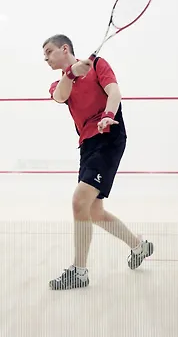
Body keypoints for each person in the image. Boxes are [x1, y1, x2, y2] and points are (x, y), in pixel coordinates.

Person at [43, 34, 154, 290]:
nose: (46, 58)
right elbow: (59, 96)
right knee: (94, 211)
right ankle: (139, 246)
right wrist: (71, 73)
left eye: (49, 52)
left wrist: (108, 114)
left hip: (109, 135)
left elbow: (114, 91)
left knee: (79, 201)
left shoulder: (98, 64)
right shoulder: (60, 83)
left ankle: (79, 271)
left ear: (64, 48)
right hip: (87, 144)